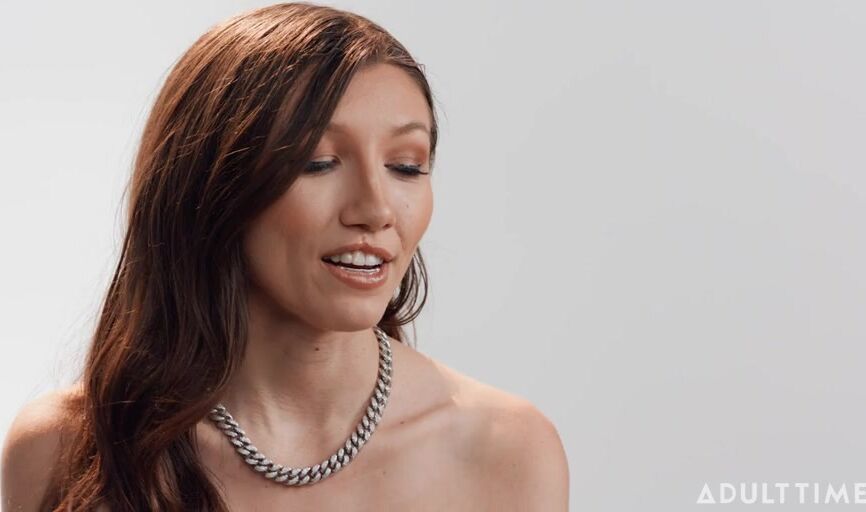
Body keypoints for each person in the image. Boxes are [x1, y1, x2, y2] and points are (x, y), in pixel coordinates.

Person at [1, 3, 569, 510]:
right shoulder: (63, 451)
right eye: (318, 163)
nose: (376, 209)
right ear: (212, 186)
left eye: (406, 166)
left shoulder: (505, 451)